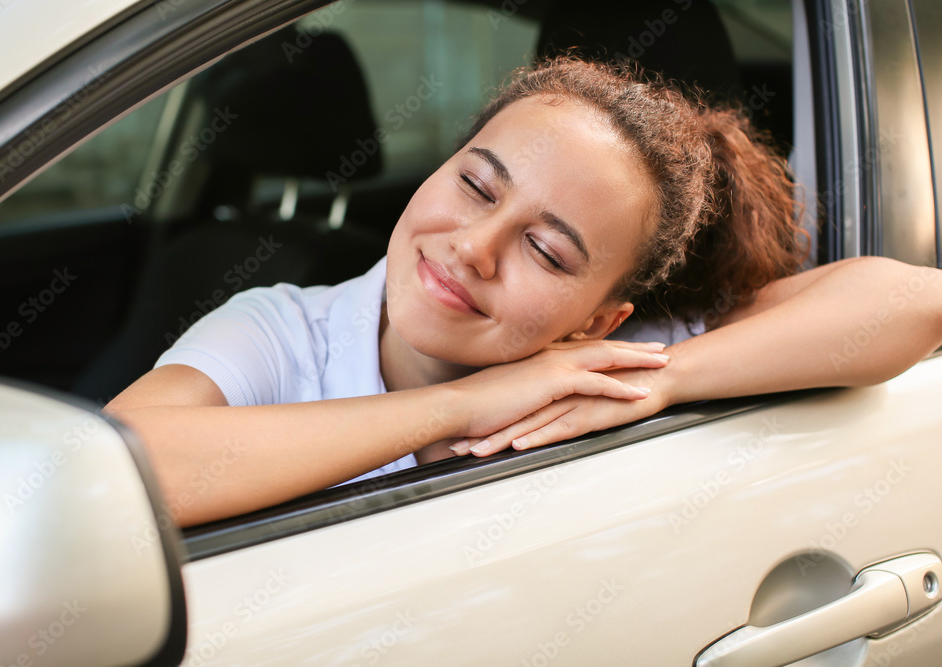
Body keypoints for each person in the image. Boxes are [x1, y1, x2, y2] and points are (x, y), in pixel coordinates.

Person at [104, 57, 942, 527]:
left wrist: (670, 379)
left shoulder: (610, 359)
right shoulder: (283, 330)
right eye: (475, 185)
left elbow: (909, 300)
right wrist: (464, 406)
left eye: (545, 249)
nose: (474, 248)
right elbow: (116, 473)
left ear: (601, 318)